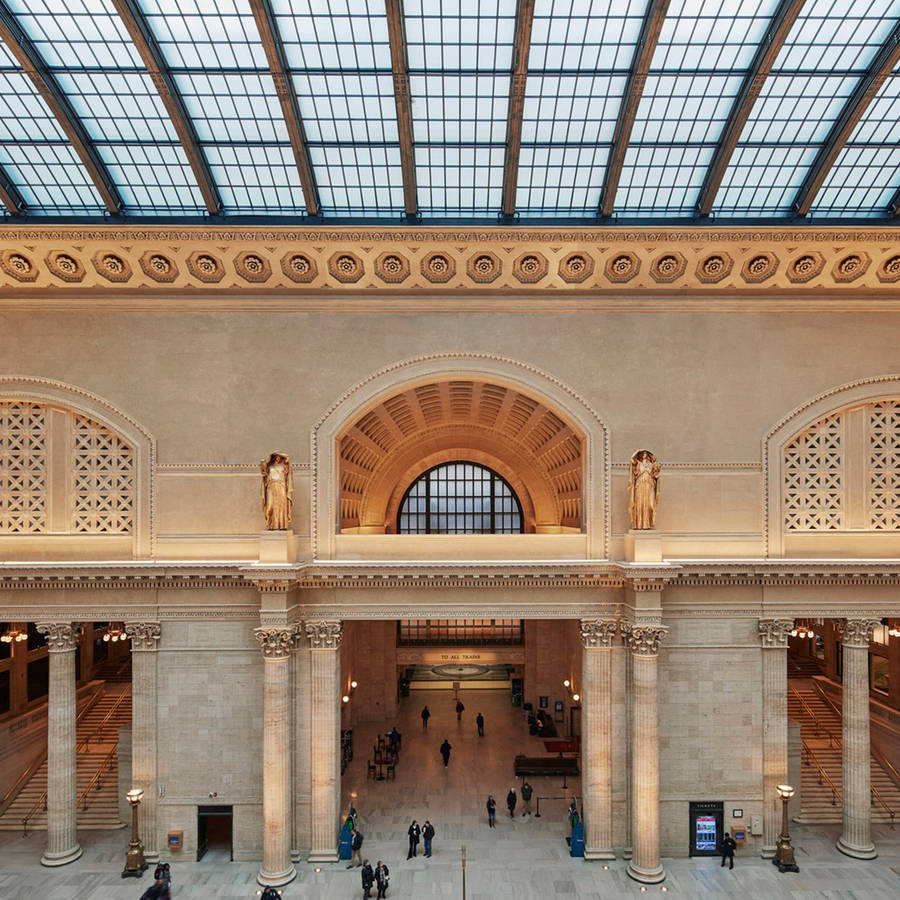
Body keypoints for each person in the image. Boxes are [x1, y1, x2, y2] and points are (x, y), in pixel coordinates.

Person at [259, 452, 293, 529]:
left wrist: (281, 455)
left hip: (281, 486)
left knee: (281, 505)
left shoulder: (284, 466)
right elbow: (264, 475)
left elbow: (288, 457)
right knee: (270, 506)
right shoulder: (269, 466)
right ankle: (271, 524)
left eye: (279, 456)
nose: (277, 458)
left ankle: (282, 525)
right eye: (276, 456)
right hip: (271, 486)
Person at [628, 448, 660, 530]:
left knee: (650, 504)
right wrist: (638, 451)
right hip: (640, 485)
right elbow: (632, 459)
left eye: (646, 453)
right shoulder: (638, 464)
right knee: (640, 503)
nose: (644, 454)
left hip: (649, 485)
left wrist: (656, 469)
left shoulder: (651, 465)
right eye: (642, 453)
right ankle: (639, 524)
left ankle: (648, 524)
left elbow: (656, 475)